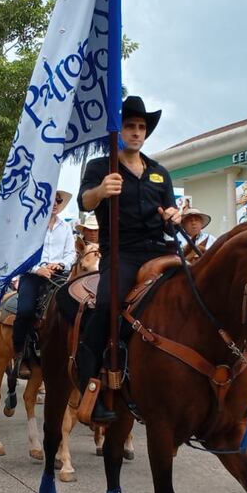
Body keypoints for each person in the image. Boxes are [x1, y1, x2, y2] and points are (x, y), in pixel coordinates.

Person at [77, 96, 179, 424]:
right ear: (118, 130)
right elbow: (86, 202)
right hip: (122, 252)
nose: (136, 132)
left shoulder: (159, 173)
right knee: (108, 303)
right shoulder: (100, 167)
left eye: (141, 127)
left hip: (162, 250)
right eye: (129, 126)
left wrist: (174, 216)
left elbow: (168, 211)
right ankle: (87, 376)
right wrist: (102, 190)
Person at [13, 190, 76, 360]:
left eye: (58, 200)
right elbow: (20, 254)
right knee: (25, 310)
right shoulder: (30, 225)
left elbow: (71, 254)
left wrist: (61, 264)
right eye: (51, 199)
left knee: (74, 310)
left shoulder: (66, 227)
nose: (55, 203)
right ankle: (19, 352)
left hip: (58, 276)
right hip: (33, 275)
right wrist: (37, 269)